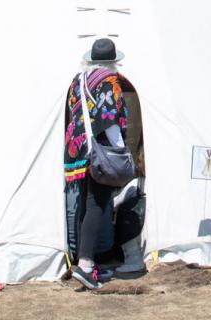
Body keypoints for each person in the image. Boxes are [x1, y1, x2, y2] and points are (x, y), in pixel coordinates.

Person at [63, 39, 145, 290]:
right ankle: (87, 266)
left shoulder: (79, 81)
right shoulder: (109, 81)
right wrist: (121, 151)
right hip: (99, 153)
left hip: (77, 150)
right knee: (97, 206)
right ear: (113, 62)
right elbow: (108, 119)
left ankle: (83, 261)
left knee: (85, 206)